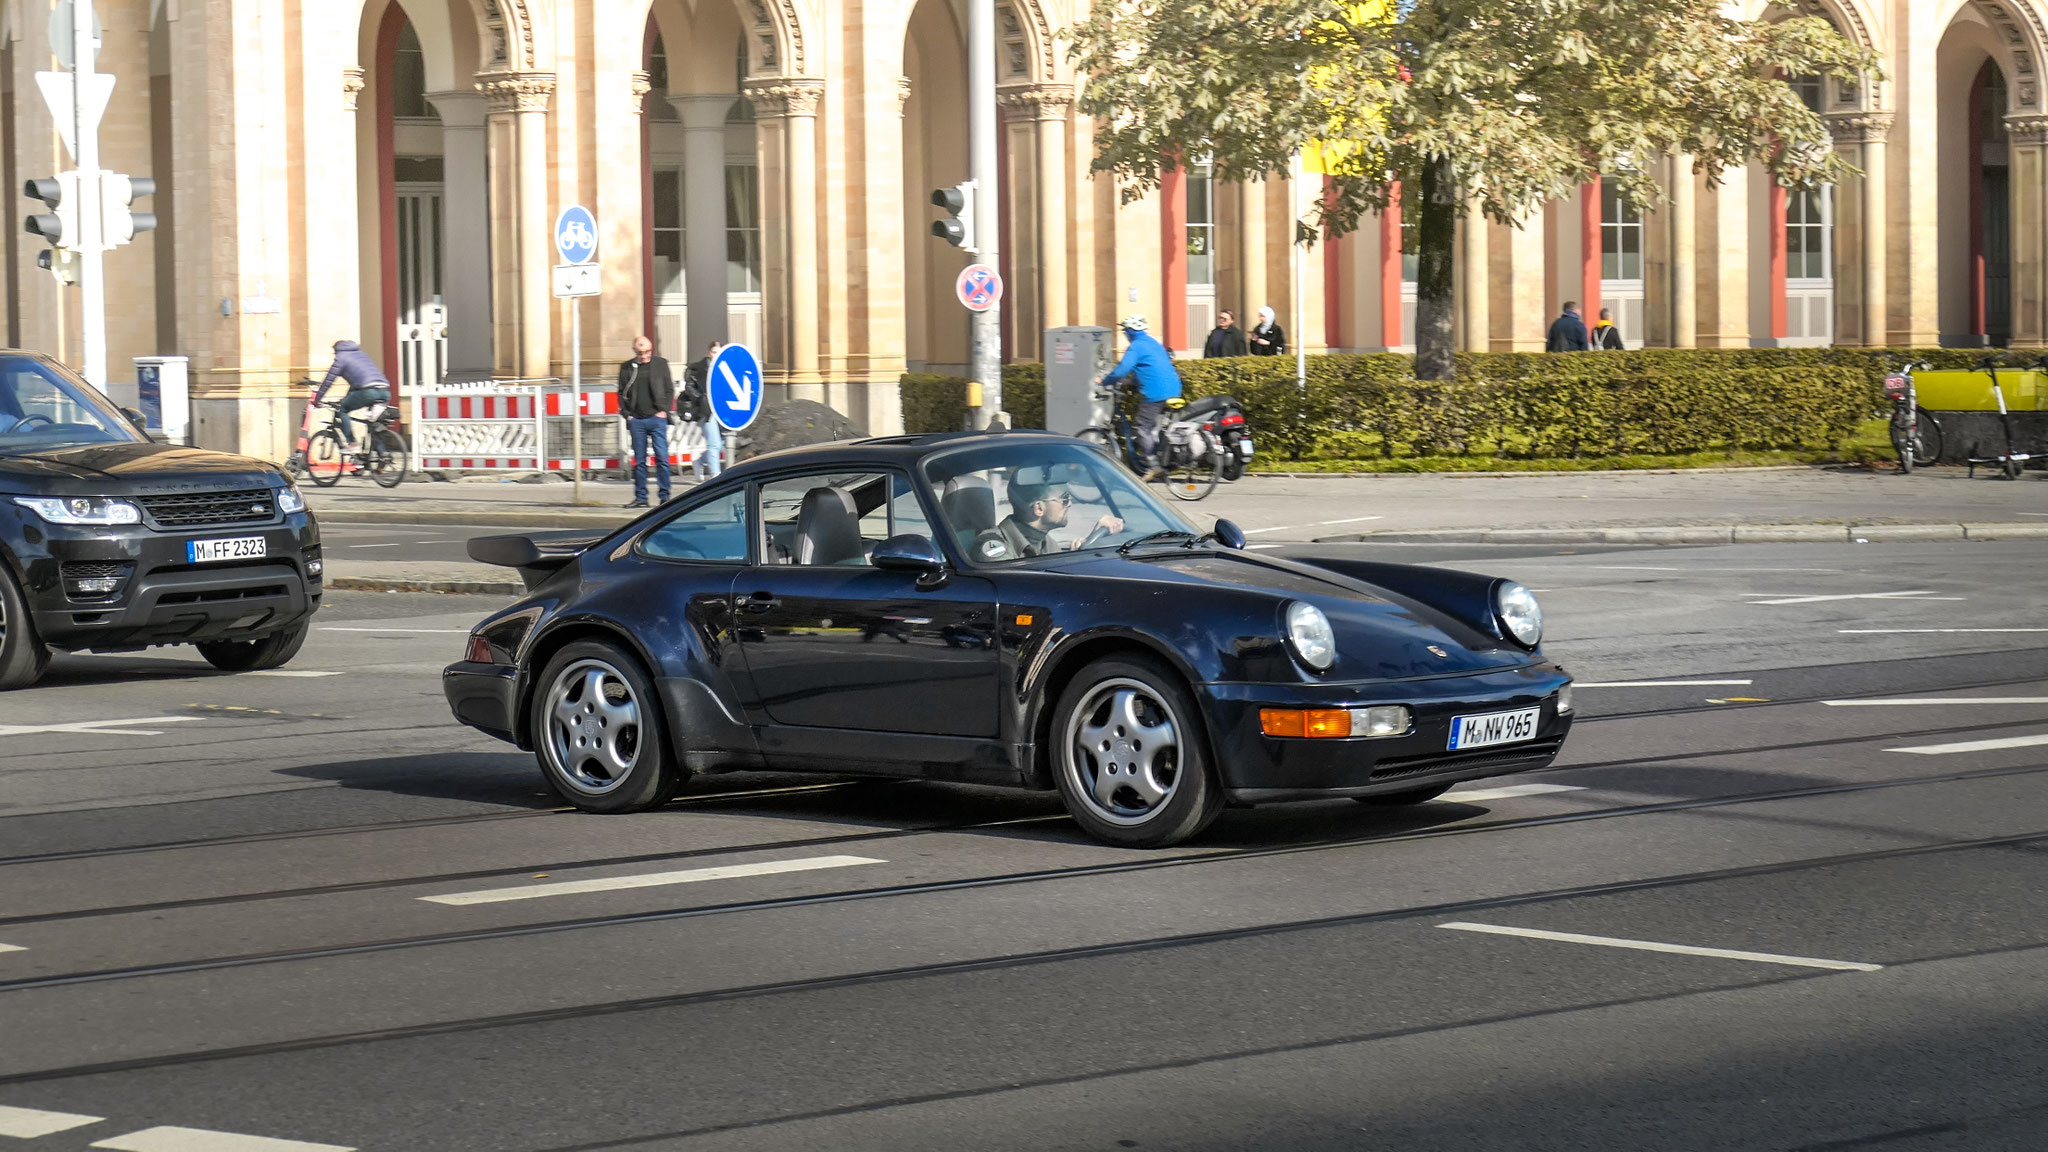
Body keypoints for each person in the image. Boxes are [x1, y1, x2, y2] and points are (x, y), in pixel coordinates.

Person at [1099, 315, 1181, 481]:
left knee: (1143, 427)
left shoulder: (1136, 346)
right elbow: (1151, 368)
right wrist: (1132, 381)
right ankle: (1161, 456)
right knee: (1155, 428)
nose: (1124, 334)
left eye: (1125, 331)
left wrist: (1104, 381)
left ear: (1130, 331)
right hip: (1173, 389)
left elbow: (1122, 369)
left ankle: (1154, 465)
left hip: (1156, 392)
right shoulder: (1153, 343)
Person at [972, 480, 1125, 562]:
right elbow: (1017, 590)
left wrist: (1083, 548)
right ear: (1039, 508)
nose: (1070, 503)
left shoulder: (1046, 542)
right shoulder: (992, 546)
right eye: (1065, 499)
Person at [617, 335, 677, 508]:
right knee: (640, 461)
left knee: (662, 459)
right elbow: (621, 392)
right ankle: (641, 497)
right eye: (640, 352)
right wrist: (627, 414)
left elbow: (669, 389)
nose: (644, 356)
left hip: (657, 418)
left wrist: (664, 411)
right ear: (635, 351)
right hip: (637, 420)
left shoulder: (660, 364)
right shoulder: (628, 367)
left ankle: (665, 496)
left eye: (647, 352)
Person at [313, 340, 391, 448]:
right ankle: (383, 454)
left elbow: (328, 381)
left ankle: (351, 443)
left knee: (343, 410)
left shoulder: (341, 358)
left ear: (337, 350)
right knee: (374, 424)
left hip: (368, 392)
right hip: (385, 390)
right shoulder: (361, 354)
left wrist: (317, 399)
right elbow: (357, 381)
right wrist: (346, 398)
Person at [678, 341, 714, 481]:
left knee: (721, 443)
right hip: (705, 411)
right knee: (714, 443)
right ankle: (715, 475)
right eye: (714, 351)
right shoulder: (698, 369)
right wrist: (701, 398)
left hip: (721, 412)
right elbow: (690, 387)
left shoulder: (725, 368)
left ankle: (700, 461)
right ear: (709, 352)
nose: (716, 355)